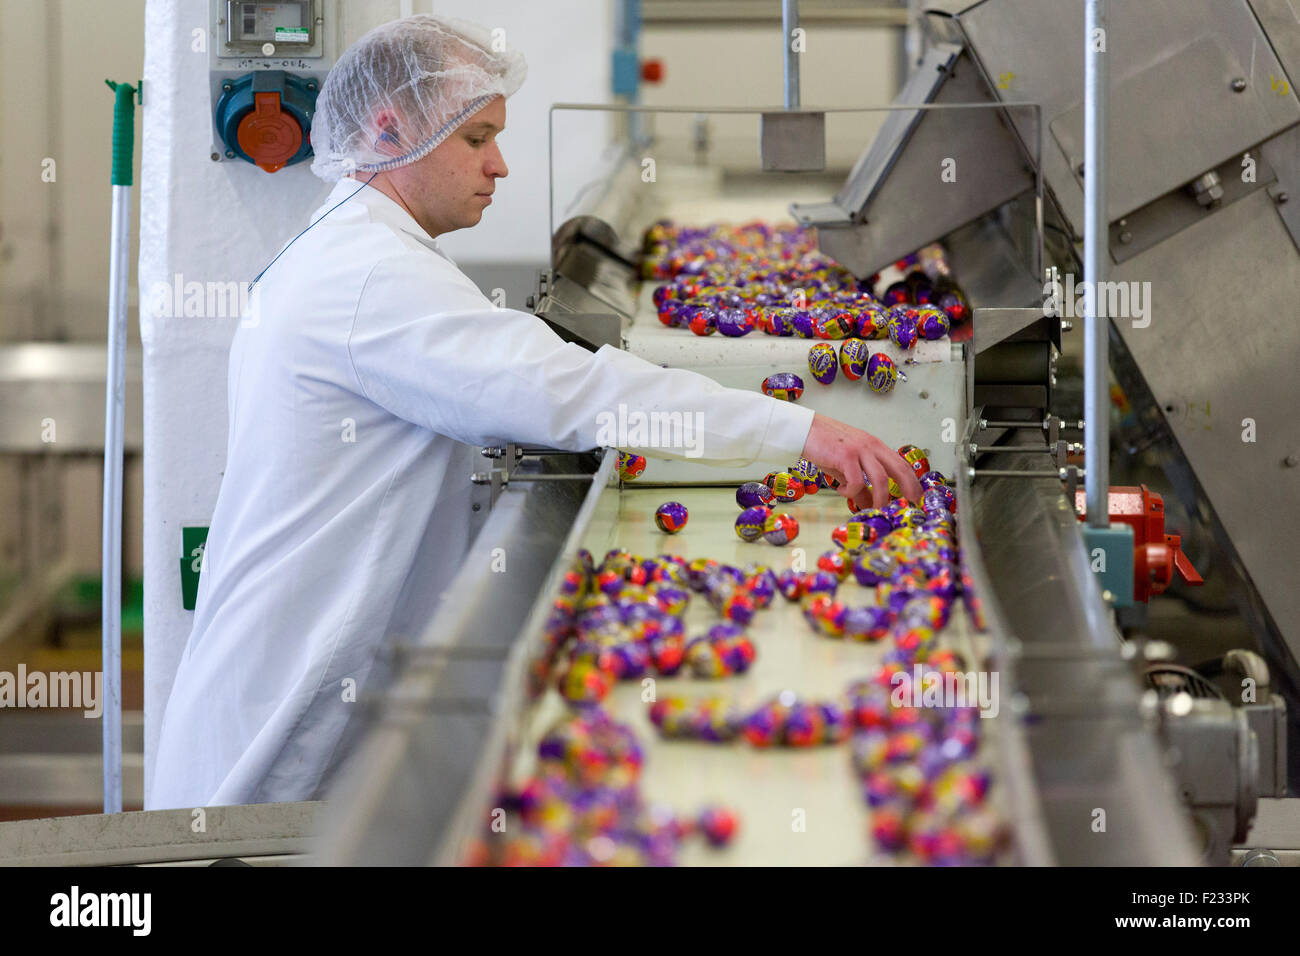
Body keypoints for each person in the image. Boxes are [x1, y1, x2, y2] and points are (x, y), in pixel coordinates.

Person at [147, 14, 920, 809]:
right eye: (477, 139)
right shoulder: (370, 278)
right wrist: (800, 431)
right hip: (267, 747)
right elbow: (573, 393)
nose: (500, 165)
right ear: (388, 131)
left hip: (304, 696)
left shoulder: (359, 248)